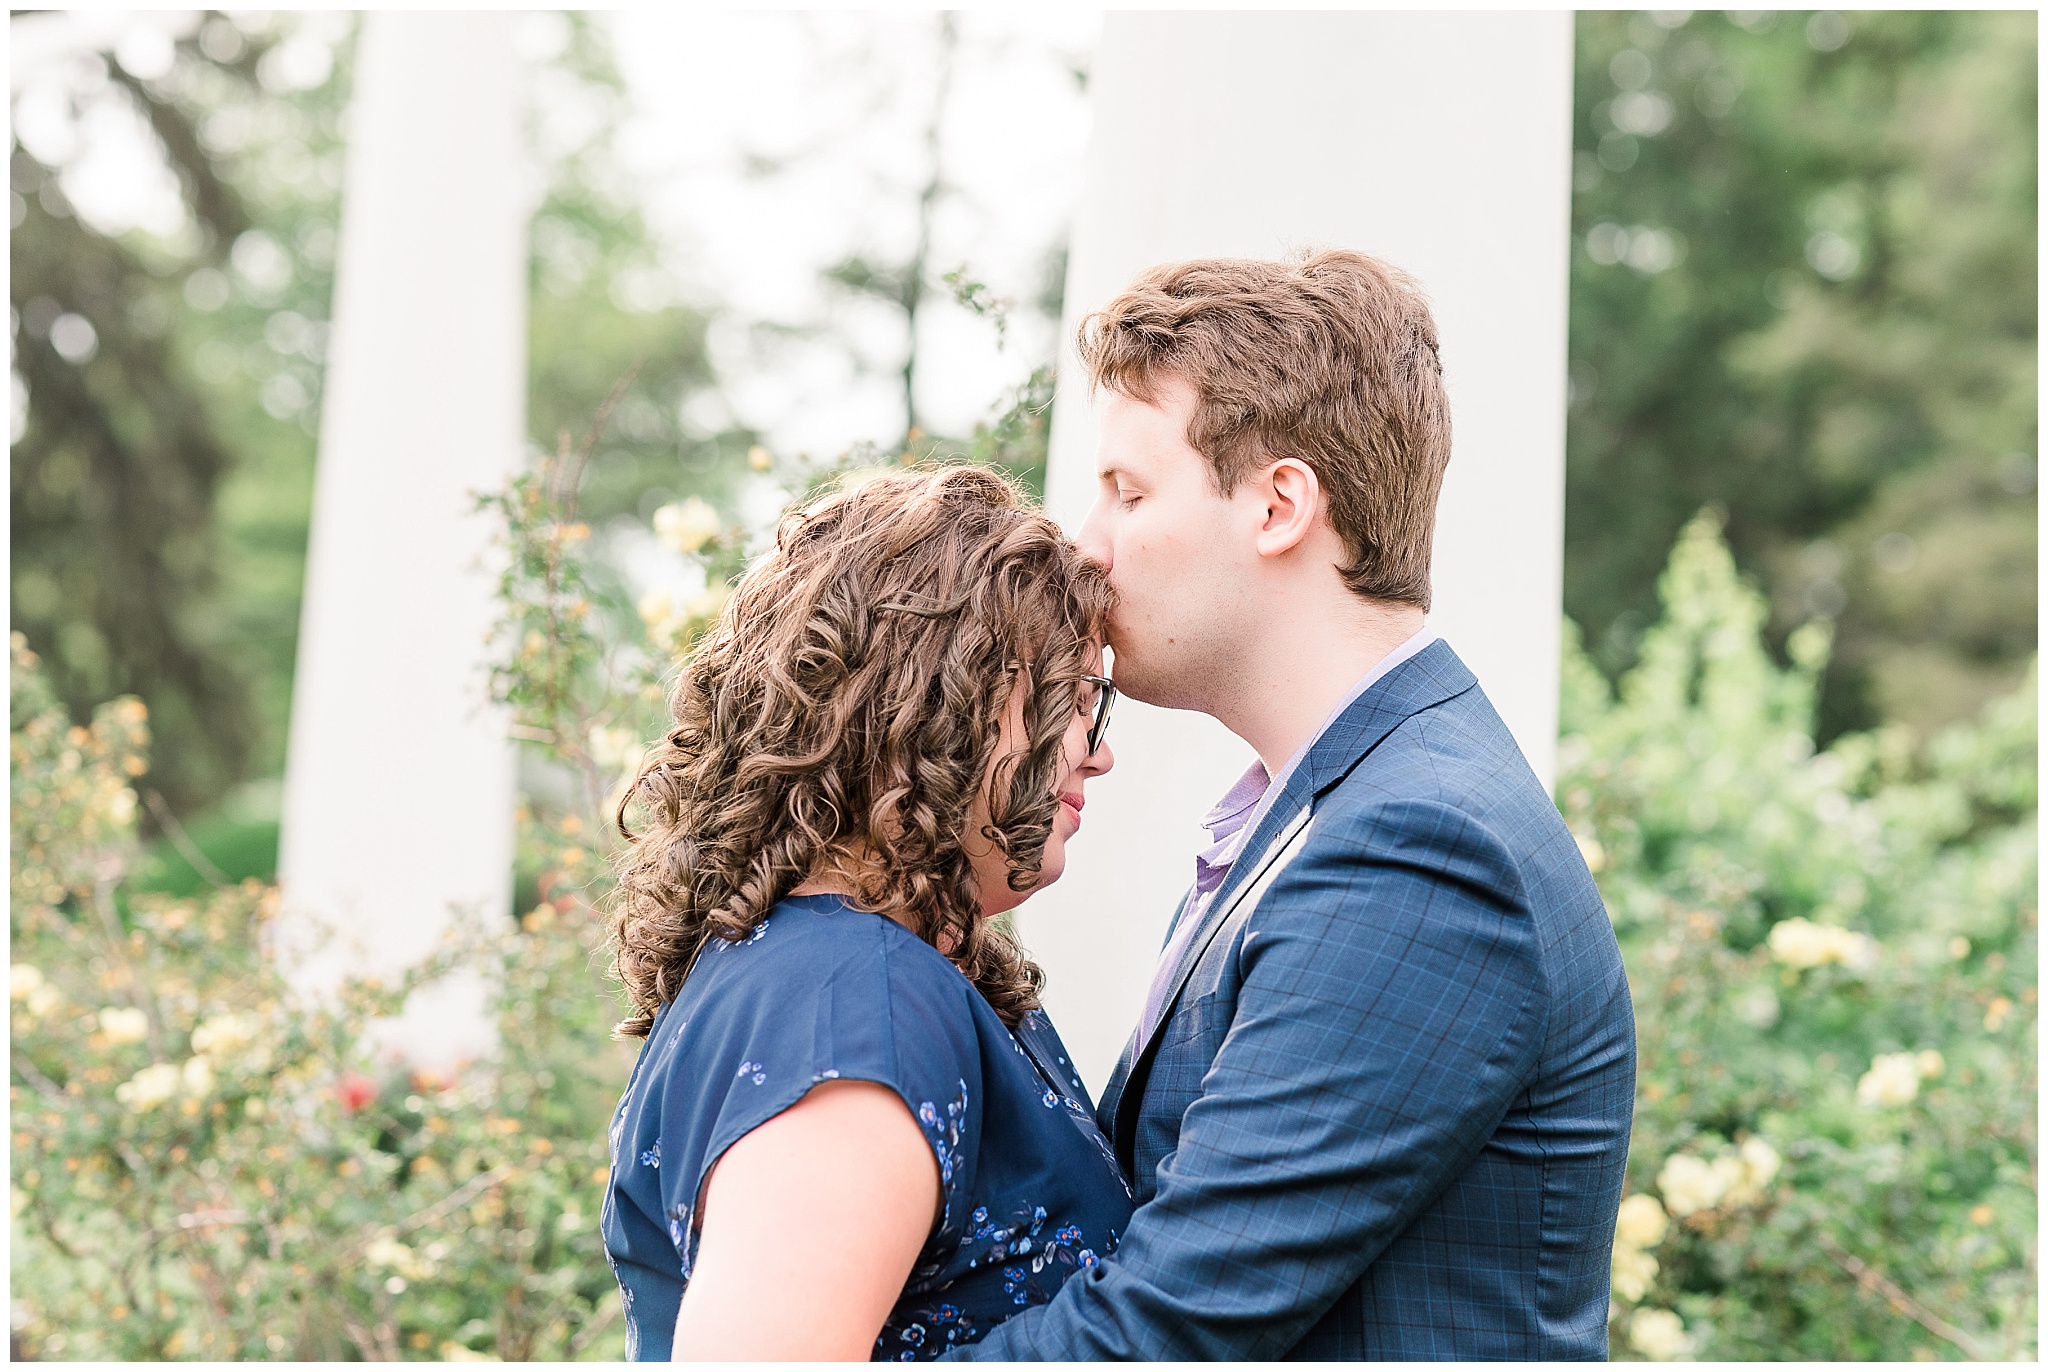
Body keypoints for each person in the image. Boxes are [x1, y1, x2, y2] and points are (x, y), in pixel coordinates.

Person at [947, 251, 1637, 1361]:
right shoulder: (1340, 805)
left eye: (1129, 491)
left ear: (1278, 507)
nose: (1086, 541)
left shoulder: (1419, 850)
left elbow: (1165, 1332)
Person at [600, 466, 1135, 1361]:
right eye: (1071, 699)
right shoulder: (855, 1006)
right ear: (936, 703)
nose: (1098, 751)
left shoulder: (826, 969)